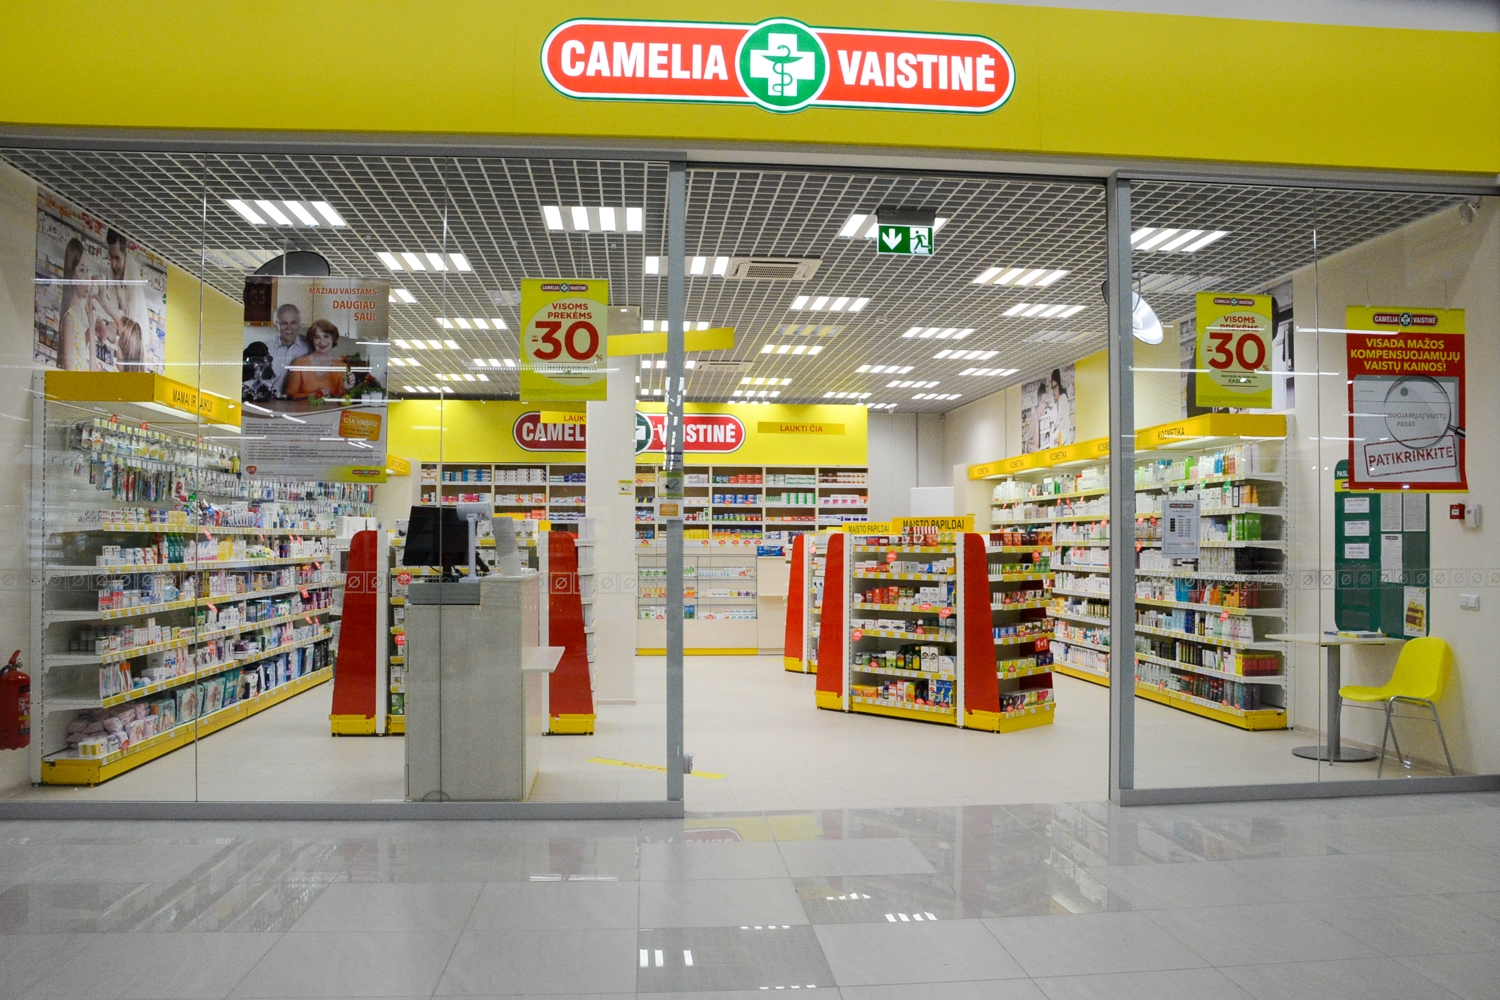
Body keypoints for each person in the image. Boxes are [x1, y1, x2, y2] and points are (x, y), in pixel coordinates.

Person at [95, 229, 143, 369]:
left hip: (136, 337)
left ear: (125, 255)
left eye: (117, 258)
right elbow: (114, 312)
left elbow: (131, 328)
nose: (113, 264)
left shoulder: (132, 276)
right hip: (126, 331)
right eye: (111, 258)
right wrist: (106, 330)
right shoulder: (114, 270)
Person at [283, 319, 355, 400]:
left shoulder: (342, 367)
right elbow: (290, 397)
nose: (322, 342)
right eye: (317, 337)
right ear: (312, 340)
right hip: (304, 408)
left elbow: (343, 400)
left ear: (333, 338)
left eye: (326, 336)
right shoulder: (300, 364)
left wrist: (346, 388)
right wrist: (315, 394)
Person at [57, 238, 95, 371]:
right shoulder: (70, 319)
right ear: (72, 275)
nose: (87, 277)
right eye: (82, 270)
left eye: (87, 270)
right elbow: (70, 372)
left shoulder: (79, 317)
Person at [267, 303, 309, 394]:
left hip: (299, 399)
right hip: (271, 399)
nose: (289, 327)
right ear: (276, 325)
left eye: (293, 323)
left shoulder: (309, 347)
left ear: (299, 325)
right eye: (284, 323)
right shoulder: (266, 349)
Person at [1049, 367, 1073, 447]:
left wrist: (1060, 437)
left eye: (1055, 387)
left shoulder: (1063, 399)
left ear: (1059, 386)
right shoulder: (1055, 404)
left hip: (1065, 443)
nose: (1054, 391)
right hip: (1057, 445)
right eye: (1052, 388)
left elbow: (1067, 424)